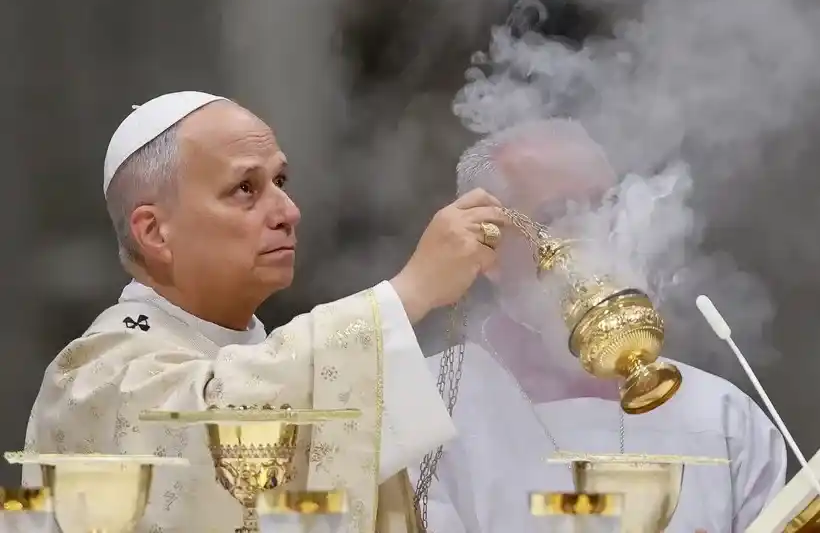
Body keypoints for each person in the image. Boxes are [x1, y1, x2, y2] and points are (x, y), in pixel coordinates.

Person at [23, 91, 509, 533]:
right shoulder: (95, 378)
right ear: (155, 232)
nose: (288, 210)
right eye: (245, 189)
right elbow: (210, 423)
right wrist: (410, 291)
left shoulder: (272, 361)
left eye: (280, 180)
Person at [410, 118, 787, 533]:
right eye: (558, 215)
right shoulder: (426, 412)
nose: (594, 233)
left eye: (604, 205)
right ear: (488, 253)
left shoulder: (723, 419)